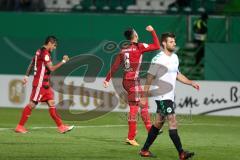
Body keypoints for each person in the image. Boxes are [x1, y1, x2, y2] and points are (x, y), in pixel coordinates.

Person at [139, 32, 200, 160]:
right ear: (164, 43)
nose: (174, 43)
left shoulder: (175, 57)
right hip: (161, 96)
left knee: (158, 123)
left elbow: (177, 74)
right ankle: (181, 153)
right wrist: (144, 96)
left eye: (174, 41)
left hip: (169, 96)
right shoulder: (158, 59)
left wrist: (191, 82)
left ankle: (144, 150)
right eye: (171, 42)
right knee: (172, 120)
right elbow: (149, 77)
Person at [103, 25, 160, 146]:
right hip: (133, 81)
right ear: (134, 35)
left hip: (128, 81)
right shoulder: (139, 46)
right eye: (136, 32)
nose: (137, 33)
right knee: (134, 108)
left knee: (143, 104)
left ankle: (151, 130)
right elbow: (157, 46)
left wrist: (107, 79)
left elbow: (115, 66)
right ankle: (130, 137)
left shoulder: (123, 50)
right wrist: (152, 31)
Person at [15, 36, 74, 134]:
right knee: (32, 104)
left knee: (51, 103)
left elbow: (32, 63)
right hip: (40, 84)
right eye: (54, 45)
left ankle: (61, 127)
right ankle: (19, 126)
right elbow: (51, 68)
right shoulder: (45, 53)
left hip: (45, 84)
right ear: (50, 43)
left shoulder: (39, 51)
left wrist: (26, 76)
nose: (54, 48)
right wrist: (63, 61)